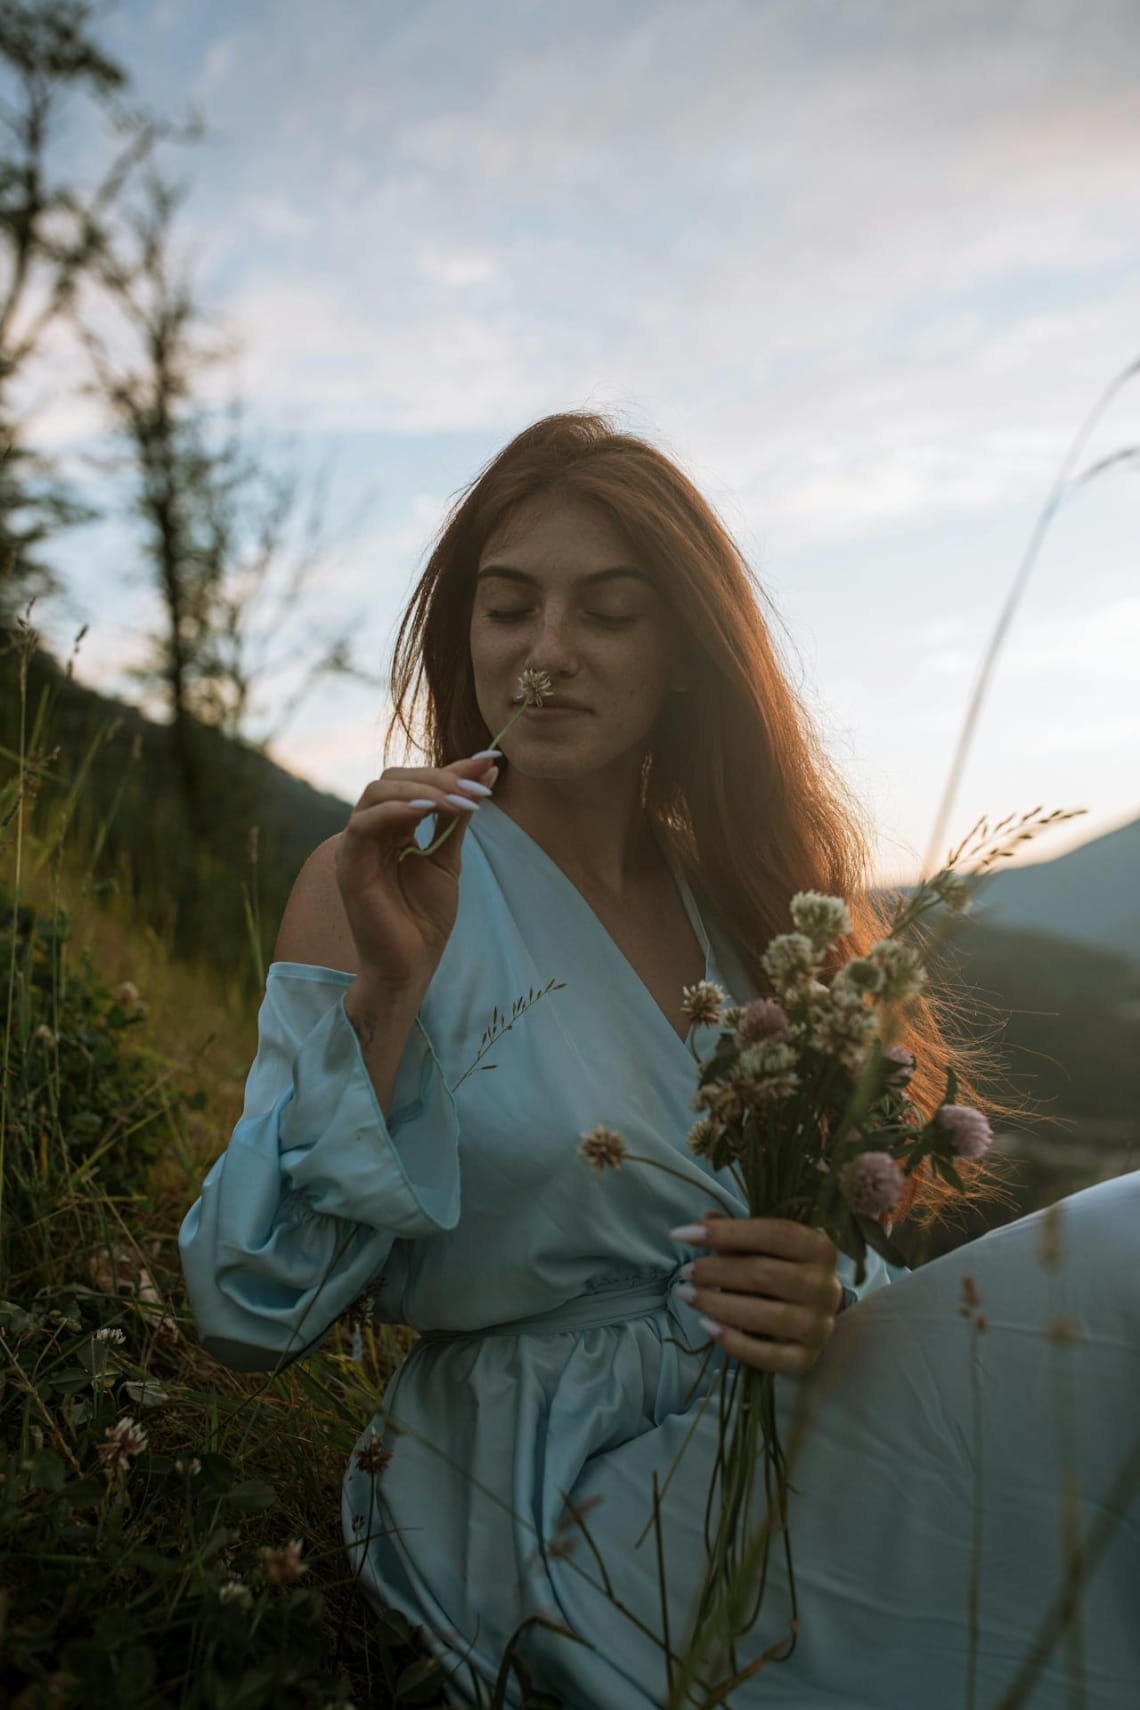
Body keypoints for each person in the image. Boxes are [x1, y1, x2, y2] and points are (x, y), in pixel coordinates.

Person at [179, 413, 1138, 1708]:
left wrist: (821, 1281)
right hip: (560, 1485)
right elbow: (248, 1309)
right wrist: (390, 995)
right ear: (467, 634)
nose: (547, 651)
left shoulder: (748, 903)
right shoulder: (382, 884)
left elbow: (829, 1238)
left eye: (609, 612)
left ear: (684, 655)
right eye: (507, 607)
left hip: (788, 1423)